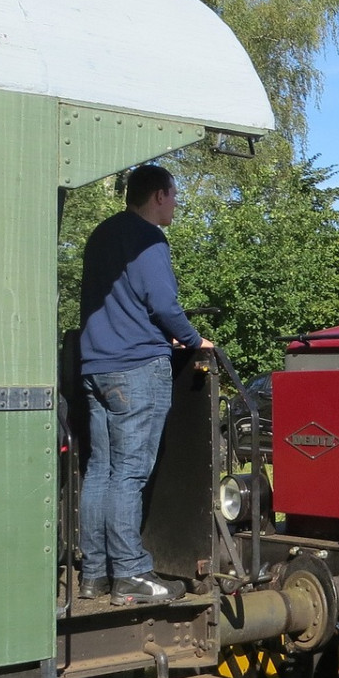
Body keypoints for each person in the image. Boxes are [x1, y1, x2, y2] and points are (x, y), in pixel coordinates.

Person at [77, 164, 210, 606]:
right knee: (129, 474)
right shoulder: (149, 239)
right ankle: (131, 574)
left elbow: (120, 302)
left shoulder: (102, 234)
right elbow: (162, 302)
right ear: (157, 196)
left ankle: (94, 574)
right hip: (136, 368)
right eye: (174, 196)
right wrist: (193, 340)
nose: (175, 204)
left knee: (101, 469)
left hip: (96, 365)